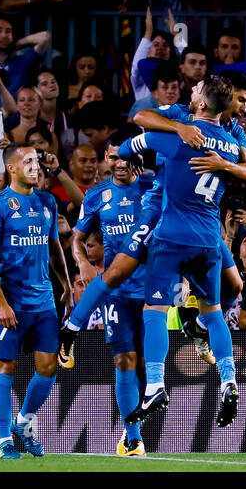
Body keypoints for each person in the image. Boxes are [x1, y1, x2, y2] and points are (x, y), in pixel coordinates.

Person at [117, 76, 246, 428]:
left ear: (203, 104)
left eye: (195, 91)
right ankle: (229, 381)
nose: (190, 92)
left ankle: (157, 386)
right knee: (213, 313)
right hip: (210, 239)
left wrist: (123, 151)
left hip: (172, 237)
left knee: (155, 310)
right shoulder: (229, 143)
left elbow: (130, 146)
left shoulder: (180, 137)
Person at [0, 145, 69, 459]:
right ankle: (4, 441)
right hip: (10, 302)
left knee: (47, 367)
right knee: (5, 366)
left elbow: (55, 246)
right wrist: (0, 303)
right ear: (11, 168)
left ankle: (24, 422)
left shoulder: (47, 202)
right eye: (27, 162)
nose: (35, 166)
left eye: (36, 161)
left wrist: (67, 286)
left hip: (43, 301)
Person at [62, 138, 150, 456]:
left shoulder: (154, 184)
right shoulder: (97, 195)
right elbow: (78, 237)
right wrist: (83, 261)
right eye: (115, 157)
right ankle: (132, 437)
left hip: (154, 288)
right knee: (124, 360)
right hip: (117, 291)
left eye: (127, 157)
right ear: (106, 160)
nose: (121, 162)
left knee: (151, 363)